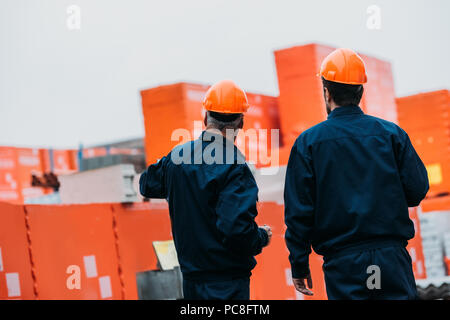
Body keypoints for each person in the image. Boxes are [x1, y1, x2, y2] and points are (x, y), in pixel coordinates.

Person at [284, 48, 429, 300]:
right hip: (391, 260)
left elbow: (299, 213)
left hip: (344, 266)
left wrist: (299, 263)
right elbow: (417, 190)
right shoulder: (391, 134)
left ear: (326, 91)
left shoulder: (308, 143)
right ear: (361, 91)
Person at [139, 80, 272, 300]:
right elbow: (236, 232)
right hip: (227, 285)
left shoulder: (178, 156)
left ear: (205, 118)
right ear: (241, 123)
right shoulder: (234, 166)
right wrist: (261, 237)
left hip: (191, 283)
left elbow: (146, 184)